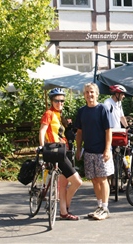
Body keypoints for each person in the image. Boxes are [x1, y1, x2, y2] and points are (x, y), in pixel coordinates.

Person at [39, 88, 82, 220]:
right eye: (57, 101)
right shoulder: (49, 113)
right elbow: (42, 130)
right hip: (55, 151)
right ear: (52, 101)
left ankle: (63, 212)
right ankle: (66, 205)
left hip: (64, 151)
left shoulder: (58, 115)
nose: (60, 103)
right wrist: (42, 146)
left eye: (62, 101)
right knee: (77, 182)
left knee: (63, 185)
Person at [75, 82, 114, 220]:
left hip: (101, 151)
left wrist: (107, 149)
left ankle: (105, 207)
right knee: (94, 180)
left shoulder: (103, 109)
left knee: (103, 179)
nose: (89, 94)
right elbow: (79, 132)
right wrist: (78, 149)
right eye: (87, 92)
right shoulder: (82, 111)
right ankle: (99, 206)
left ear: (97, 94)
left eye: (92, 92)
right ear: (84, 95)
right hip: (89, 151)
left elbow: (108, 131)